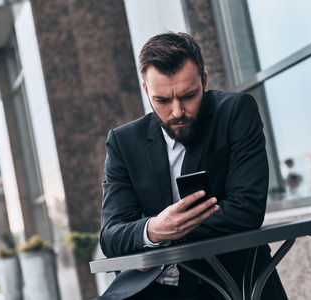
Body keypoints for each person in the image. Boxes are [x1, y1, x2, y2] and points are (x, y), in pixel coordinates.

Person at [98, 32, 287, 299]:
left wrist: (167, 234)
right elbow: (111, 235)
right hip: (152, 288)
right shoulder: (123, 142)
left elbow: (247, 209)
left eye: (188, 95)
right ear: (146, 91)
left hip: (233, 283)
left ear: (204, 80)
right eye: (162, 100)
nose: (177, 111)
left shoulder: (235, 112)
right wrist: (152, 229)